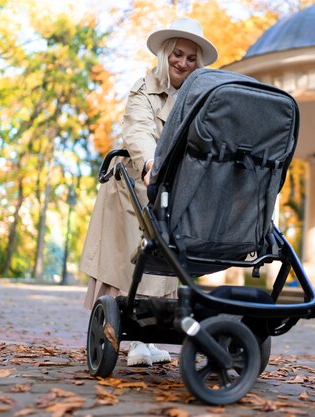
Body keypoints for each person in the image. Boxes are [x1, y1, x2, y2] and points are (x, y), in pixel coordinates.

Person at [79, 17, 218, 367]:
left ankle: (149, 338)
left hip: (175, 188)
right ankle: (133, 336)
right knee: (132, 259)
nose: (183, 63)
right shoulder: (144, 88)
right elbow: (138, 129)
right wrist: (151, 163)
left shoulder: (198, 98)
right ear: (165, 54)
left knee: (167, 259)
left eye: (191, 58)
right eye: (178, 54)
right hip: (134, 185)